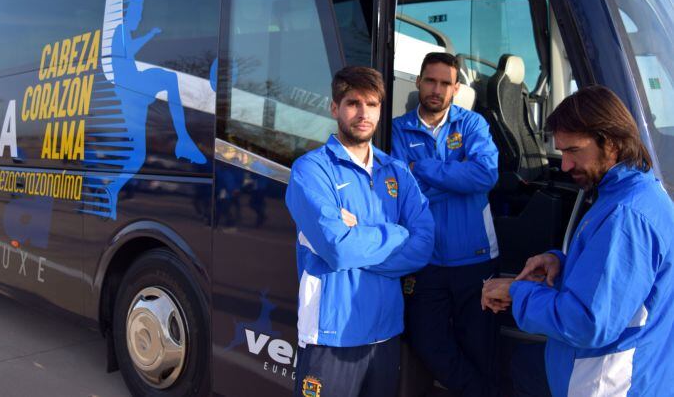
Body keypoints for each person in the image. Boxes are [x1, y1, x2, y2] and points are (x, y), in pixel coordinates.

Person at [481, 85, 674, 397]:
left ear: (610, 142)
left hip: (609, 383)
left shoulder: (626, 215)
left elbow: (587, 321)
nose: (566, 165)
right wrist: (562, 262)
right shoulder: (633, 194)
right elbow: (623, 280)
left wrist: (517, 292)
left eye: (573, 151)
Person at [285, 66, 435, 397]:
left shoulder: (396, 170)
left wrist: (361, 238)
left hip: (386, 335)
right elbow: (339, 249)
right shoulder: (310, 170)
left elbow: (424, 244)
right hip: (332, 335)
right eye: (353, 103)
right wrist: (397, 233)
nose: (363, 113)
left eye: (372, 104)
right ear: (334, 108)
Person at [391, 52, 500, 396]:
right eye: (430, 81)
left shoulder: (472, 125)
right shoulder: (395, 129)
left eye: (445, 83)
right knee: (427, 342)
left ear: (455, 89)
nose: (436, 89)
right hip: (425, 260)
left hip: (476, 257)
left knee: (480, 348)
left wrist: (421, 169)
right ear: (419, 82)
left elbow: (485, 174)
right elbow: (400, 193)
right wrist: (457, 178)